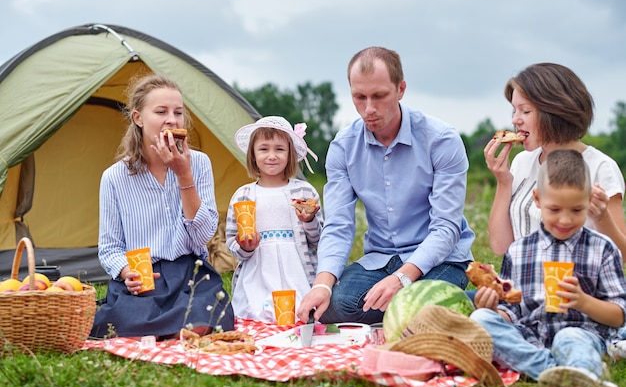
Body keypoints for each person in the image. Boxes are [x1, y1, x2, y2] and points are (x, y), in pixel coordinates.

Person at [296, 47, 475, 325]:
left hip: (442, 259)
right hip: (381, 259)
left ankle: (469, 302)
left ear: (400, 89)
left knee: (417, 310)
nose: (369, 108)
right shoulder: (343, 147)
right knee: (333, 307)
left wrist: (402, 278)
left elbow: (446, 228)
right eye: (359, 97)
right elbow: (338, 226)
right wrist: (322, 284)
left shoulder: (441, 140)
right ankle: (427, 313)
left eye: (379, 96)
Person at [470, 149, 626, 387]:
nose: (565, 220)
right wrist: (491, 307)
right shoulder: (518, 251)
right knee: (480, 320)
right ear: (538, 199)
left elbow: (619, 316)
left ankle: (577, 371)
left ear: (588, 202)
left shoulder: (602, 249)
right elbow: (512, 311)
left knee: (569, 336)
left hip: (583, 335)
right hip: (531, 338)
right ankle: (563, 373)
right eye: (555, 209)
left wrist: (584, 301)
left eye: (577, 210)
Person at [90, 74, 234, 339]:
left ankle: (167, 332)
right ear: (138, 118)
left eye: (178, 112)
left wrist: (184, 175)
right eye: (161, 111)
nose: (172, 119)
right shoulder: (114, 177)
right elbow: (110, 247)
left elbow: (203, 236)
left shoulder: (199, 164)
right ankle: (163, 331)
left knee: (208, 315)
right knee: (119, 322)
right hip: (145, 278)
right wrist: (126, 271)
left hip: (190, 274)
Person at [484, 62, 626, 260]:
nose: (515, 120)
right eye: (514, 111)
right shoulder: (522, 162)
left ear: (555, 111)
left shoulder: (600, 167)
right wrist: (503, 181)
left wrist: (602, 218)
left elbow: (622, 254)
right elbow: (501, 247)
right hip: (524, 283)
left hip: (572, 286)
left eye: (525, 111)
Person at [226, 116, 322, 322]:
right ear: (253, 154)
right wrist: (245, 246)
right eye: (264, 149)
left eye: (279, 149)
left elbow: (318, 241)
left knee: (298, 315)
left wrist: (308, 220)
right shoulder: (243, 195)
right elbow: (232, 243)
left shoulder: (303, 191)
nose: (272, 156)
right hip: (257, 271)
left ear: (290, 154)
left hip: (295, 269)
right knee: (255, 313)